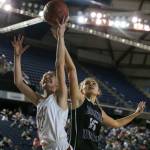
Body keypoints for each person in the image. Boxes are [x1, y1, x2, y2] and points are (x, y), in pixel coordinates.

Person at [51, 26, 146, 150]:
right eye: (87, 83)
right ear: (81, 90)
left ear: (99, 92)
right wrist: (61, 39)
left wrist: (135, 114)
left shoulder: (99, 111)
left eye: (93, 83)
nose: (90, 84)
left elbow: (116, 123)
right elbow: (71, 70)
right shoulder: (79, 100)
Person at [12, 18, 72, 150]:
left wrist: (60, 37)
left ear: (57, 84)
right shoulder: (39, 101)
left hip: (60, 146)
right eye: (44, 77)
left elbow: (59, 65)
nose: (46, 77)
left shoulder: (60, 98)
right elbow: (18, 82)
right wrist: (17, 57)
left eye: (50, 77)